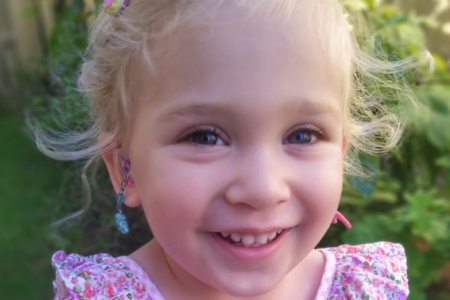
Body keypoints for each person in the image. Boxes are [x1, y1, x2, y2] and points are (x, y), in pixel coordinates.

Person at [37, 0, 414, 299]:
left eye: (302, 136)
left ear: (342, 156)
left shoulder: (363, 290)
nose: (263, 189)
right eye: (205, 137)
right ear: (125, 167)